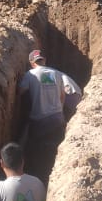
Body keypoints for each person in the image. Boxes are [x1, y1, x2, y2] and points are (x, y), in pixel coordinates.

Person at [17, 49, 66, 183]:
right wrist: (59, 111)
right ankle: (55, 178)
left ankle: (40, 177)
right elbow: (62, 96)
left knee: (37, 153)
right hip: (57, 119)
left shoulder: (30, 74)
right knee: (55, 151)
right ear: (44, 61)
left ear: (32, 63)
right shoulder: (56, 73)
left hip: (40, 121)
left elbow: (20, 91)